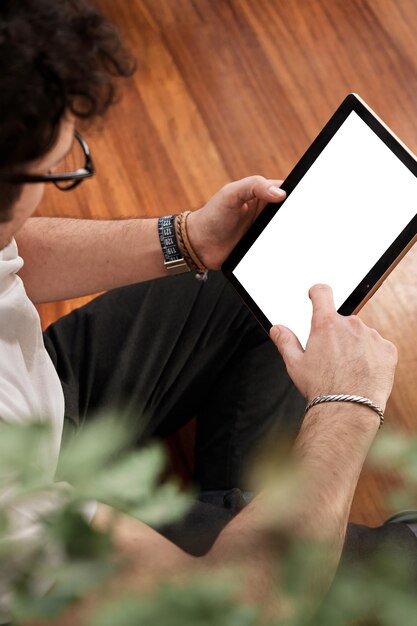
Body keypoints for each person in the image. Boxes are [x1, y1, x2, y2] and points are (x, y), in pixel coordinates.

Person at [0, 1, 416, 623]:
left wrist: (189, 239)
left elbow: (9, 246)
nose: (64, 172)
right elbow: (242, 605)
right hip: (38, 522)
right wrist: (347, 408)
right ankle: (250, 529)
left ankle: (243, 515)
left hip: (34, 413)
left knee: (244, 283)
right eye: (59, 168)